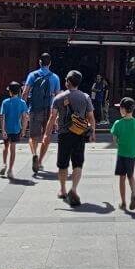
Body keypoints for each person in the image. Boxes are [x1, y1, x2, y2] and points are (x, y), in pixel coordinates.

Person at [49, 70, 96, 206]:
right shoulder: (85, 97)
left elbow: (53, 117)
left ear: (68, 82)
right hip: (80, 134)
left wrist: (47, 132)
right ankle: (74, 189)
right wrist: (92, 132)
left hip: (64, 135)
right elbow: (91, 117)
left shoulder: (59, 98)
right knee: (78, 163)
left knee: (63, 164)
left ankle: (63, 190)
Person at [22, 52, 61, 176]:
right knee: (46, 136)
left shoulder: (32, 75)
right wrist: (57, 116)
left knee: (33, 137)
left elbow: (25, 93)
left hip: (34, 109)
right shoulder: (55, 77)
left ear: (39, 62)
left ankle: (34, 154)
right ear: (50, 63)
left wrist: (23, 110)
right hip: (49, 111)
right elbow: (58, 96)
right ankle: (39, 161)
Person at [110, 96, 135, 211]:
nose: (119, 110)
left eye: (120, 108)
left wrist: (120, 145)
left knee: (122, 178)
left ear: (124, 109)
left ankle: (123, 202)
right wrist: (134, 148)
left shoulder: (118, 123)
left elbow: (114, 141)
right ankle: (133, 193)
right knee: (131, 176)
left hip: (122, 154)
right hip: (132, 154)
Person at [0, 81, 29, 178]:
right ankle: (10, 170)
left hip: (7, 129)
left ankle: (4, 163)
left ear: (10, 92)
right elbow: (25, 118)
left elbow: (2, 117)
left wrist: (3, 130)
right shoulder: (22, 103)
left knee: (5, 146)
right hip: (16, 129)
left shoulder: (5, 102)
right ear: (19, 91)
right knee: (13, 149)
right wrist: (24, 130)